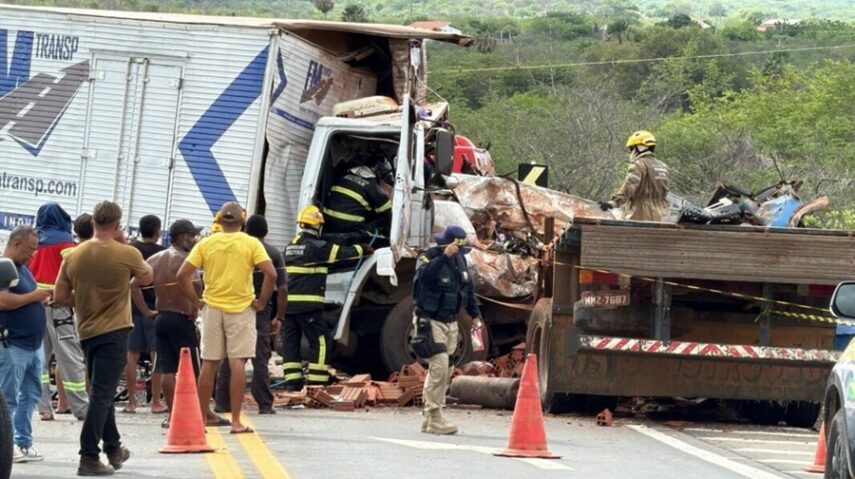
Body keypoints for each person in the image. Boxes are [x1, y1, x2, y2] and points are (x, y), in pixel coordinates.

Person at [54, 201, 153, 476]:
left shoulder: (73, 255)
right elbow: (147, 277)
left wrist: (84, 299)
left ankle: (113, 448)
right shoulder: (127, 253)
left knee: (102, 390)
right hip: (115, 331)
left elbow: (60, 296)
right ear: (117, 225)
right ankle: (88, 456)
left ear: (93, 222)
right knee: (101, 394)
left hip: (86, 331)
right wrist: (124, 244)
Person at [176, 202, 276, 434]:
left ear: (220, 221)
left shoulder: (206, 243)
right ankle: (236, 421)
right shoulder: (250, 243)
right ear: (242, 221)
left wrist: (196, 301)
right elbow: (270, 273)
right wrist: (261, 301)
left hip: (212, 308)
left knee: (209, 363)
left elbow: (182, 275)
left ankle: (201, 420)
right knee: (237, 362)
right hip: (241, 309)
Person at [283, 205, 370, 391]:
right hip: (308, 305)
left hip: (288, 306)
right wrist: (362, 249)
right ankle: (317, 380)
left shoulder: (290, 246)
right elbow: (342, 254)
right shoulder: (316, 246)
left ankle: (293, 382)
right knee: (321, 341)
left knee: (291, 343)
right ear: (318, 226)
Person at [132, 219, 204, 429]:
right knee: (193, 369)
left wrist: (146, 312)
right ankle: (193, 414)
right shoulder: (186, 260)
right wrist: (195, 305)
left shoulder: (155, 259)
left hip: (162, 317)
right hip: (182, 318)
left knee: (167, 368)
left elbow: (133, 285)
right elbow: (197, 285)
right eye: (192, 236)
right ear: (183, 237)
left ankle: (173, 416)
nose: (195, 240)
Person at [215, 215, 287, 415]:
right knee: (260, 358)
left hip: (235, 307)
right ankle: (264, 404)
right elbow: (282, 288)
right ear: (266, 232)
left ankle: (222, 402)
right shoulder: (273, 253)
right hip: (260, 311)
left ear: (245, 229)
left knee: (231, 356)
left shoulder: (236, 248)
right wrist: (280, 316)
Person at [413, 225, 481, 435]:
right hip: (430, 320)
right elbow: (423, 277)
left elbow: (467, 289)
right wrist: (443, 257)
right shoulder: (428, 256)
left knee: (446, 370)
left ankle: (429, 417)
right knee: (440, 366)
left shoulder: (460, 261)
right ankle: (434, 416)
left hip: (451, 322)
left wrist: (475, 314)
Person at [28, 203, 89, 421]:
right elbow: (78, 269)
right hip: (58, 306)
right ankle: (82, 408)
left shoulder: (32, 241)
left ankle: (44, 408)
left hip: (33, 305)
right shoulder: (64, 241)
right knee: (70, 356)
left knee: (39, 359)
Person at [0, 226, 52, 463]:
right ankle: (5, 446)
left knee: (30, 395)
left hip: (32, 345)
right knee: (7, 399)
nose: (32, 254)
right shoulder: (4, 267)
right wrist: (33, 297)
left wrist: (40, 299)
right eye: (30, 249)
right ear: (16, 244)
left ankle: (23, 441)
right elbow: (2, 300)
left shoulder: (23, 268)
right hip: (13, 344)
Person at [124, 215, 166, 414]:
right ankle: (156, 401)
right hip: (155, 310)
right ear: (157, 231)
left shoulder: (131, 250)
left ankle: (131, 402)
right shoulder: (162, 253)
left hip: (131, 310)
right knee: (156, 355)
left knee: (131, 356)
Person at [599, 130, 670, 222]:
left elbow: (630, 185)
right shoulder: (664, 167)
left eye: (631, 148)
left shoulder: (638, 165)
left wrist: (613, 203)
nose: (630, 152)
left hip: (641, 215)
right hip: (663, 216)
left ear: (640, 148)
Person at [323, 159, 394, 244]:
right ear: (377, 174)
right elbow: (388, 211)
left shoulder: (344, 177)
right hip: (349, 225)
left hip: (328, 220)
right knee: (377, 230)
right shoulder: (371, 186)